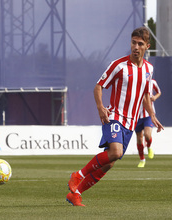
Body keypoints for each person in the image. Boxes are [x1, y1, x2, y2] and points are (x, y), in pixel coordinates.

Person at [66, 27, 164, 206]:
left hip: (131, 123)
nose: (136, 46)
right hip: (115, 117)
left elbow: (145, 95)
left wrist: (152, 115)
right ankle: (77, 175)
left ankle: (76, 193)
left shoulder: (149, 69)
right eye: (133, 42)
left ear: (147, 46)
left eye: (140, 44)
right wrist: (100, 107)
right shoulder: (119, 66)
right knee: (116, 152)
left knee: (109, 163)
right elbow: (98, 86)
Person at [136, 79, 161, 167]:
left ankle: (149, 147)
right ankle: (142, 159)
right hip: (137, 116)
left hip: (148, 115)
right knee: (139, 138)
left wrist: (154, 97)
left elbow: (158, 92)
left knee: (147, 135)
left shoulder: (152, 82)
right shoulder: (134, 82)